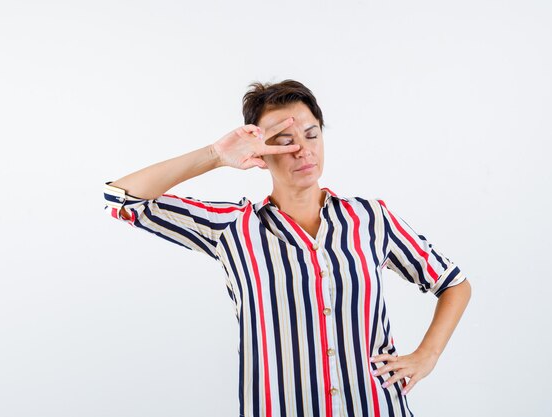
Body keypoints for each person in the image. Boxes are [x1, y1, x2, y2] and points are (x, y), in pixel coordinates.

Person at [102, 79, 471, 417]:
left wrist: (427, 356)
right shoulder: (233, 227)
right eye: (283, 142)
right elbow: (121, 199)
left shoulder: (371, 218)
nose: (302, 151)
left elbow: (453, 282)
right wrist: (216, 154)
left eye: (311, 135)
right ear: (259, 153)